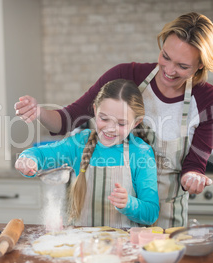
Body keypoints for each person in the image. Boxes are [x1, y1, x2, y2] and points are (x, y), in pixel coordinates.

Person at [14, 12, 213, 228]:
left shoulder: (209, 102)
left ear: (201, 65)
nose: (169, 70)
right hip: (112, 231)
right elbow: (68, 120)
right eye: (166, 56)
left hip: (166, 220)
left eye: (182, 66)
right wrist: (38, 113)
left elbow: (194, 165)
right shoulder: (125, 77)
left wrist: (193, 177)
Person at [15, 79, 159, 228]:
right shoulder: (80, 143)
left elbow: (151, 213)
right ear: (96, 111)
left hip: (122, 248)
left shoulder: (141, 153)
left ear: (136, 122)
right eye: (104, 118)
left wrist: (129, 204)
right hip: (83, 245)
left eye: (121, 123)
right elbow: (42, 154)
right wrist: (28, 159)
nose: (110, 128)